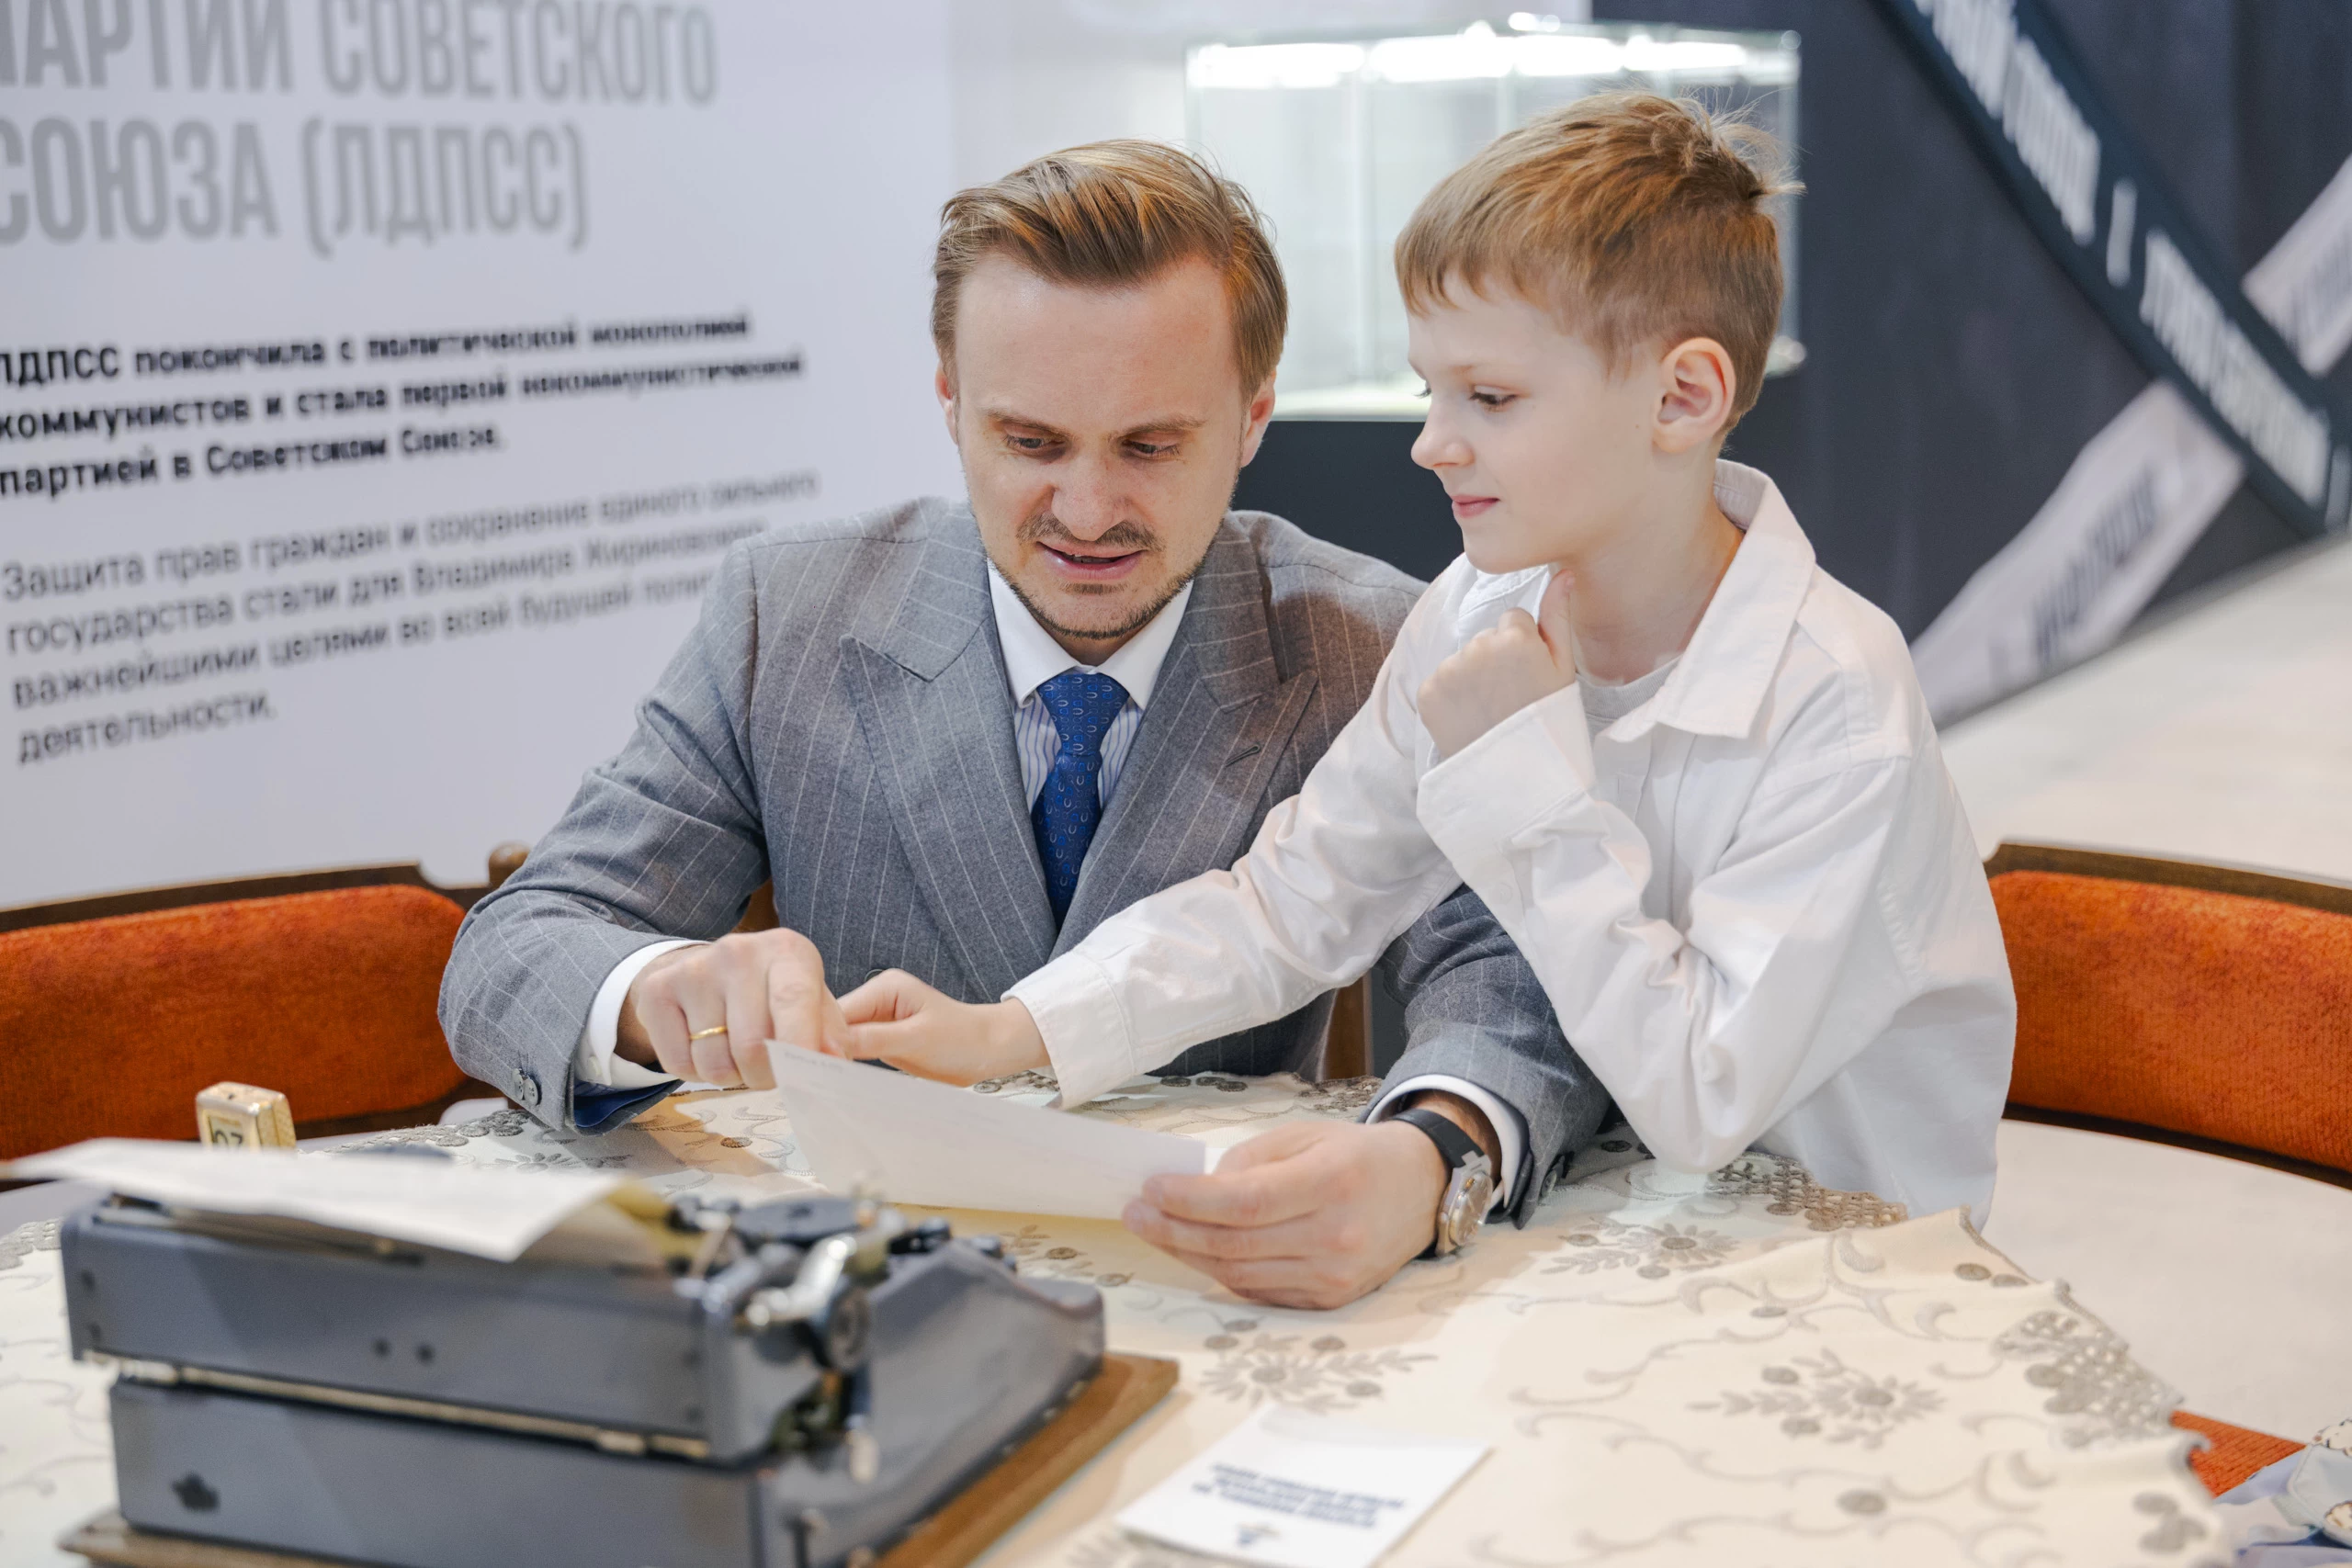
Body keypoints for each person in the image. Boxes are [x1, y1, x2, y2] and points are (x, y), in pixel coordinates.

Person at [440, 141, 1608, 1309]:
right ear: (950, 405)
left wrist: (1431, 1151)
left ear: (1254, 416)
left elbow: (1510, 978)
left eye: (1150, 446)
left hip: (1222, 1290)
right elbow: (517, 943)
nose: (1087, 514)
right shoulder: (785, 614)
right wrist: (654, 991)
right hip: (855, 1293)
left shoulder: (1371, 642)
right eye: (1030, 443)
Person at [834, 96, 2018, 1228]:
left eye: (1489, 396)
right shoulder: (1476, 608)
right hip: (1602, 1227)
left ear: (1682, 397)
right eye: (1430, 390)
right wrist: (1015, 1031)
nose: (1430, 443)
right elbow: (1293, 900)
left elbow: (1699, 1100)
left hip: (1846, 1268)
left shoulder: (1836, 704)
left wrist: (1525, 778)